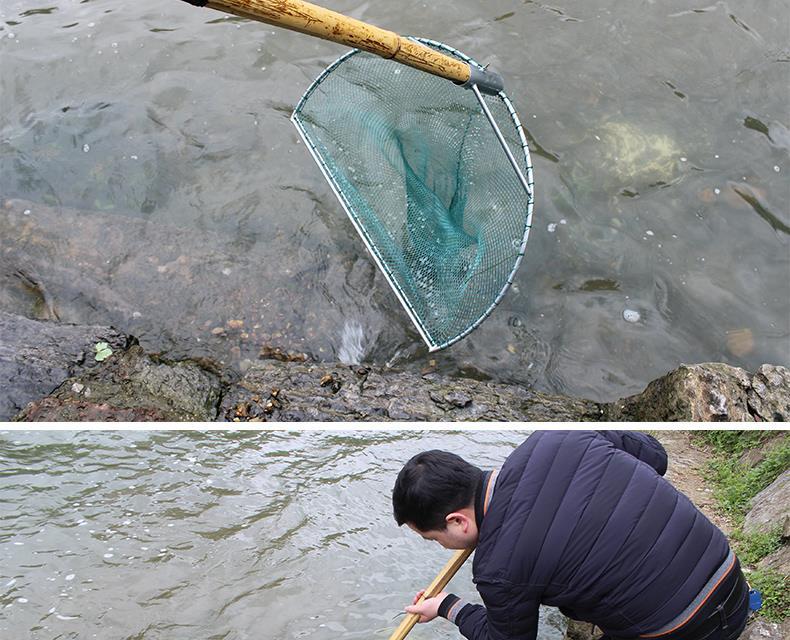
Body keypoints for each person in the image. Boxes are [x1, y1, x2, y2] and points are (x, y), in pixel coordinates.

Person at [392, 431, 750, 640]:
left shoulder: (497, 567)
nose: (443, 546)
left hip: (689, 630)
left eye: (434, 538)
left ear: (457, 522)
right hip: (731, 578)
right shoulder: (556, 437)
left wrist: (446, 606)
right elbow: (656, 456)